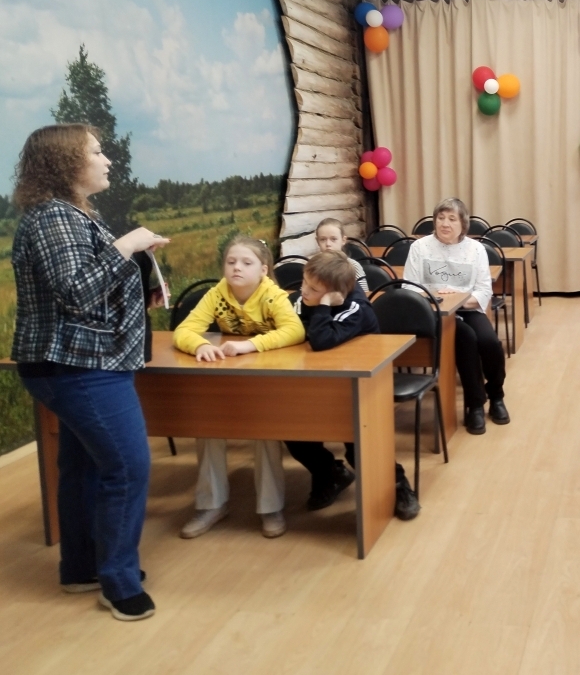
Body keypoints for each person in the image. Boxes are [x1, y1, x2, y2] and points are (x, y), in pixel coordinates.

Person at [11, 123, 169, 621]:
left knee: (82, 467)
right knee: (128, 467)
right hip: (78, 366)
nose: (107, 160)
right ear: (65, 164)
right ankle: (118, 583)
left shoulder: (72, 214)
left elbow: (87, 288)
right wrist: (127, 246)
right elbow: (77, 292)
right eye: (96, 152)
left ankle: (80, 567)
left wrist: (137, 282)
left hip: (82, 362)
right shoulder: (54, 218)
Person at [172, 236, 305, 539]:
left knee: (264, 431)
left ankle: (270, 507)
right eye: (231, 262)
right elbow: (184, 331)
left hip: (268, 380)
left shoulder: (272, 295)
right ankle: (211, 505)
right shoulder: (217, 293)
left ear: (263, 269)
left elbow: (295, 330)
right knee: (207, 426)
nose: (237, 268)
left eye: (246, 262)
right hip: (227, 378)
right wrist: (200, 346)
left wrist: (251, 345)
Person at [284, 251, 420, 520]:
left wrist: (323, 306)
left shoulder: (356, 307)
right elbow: (294, 329)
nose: (303, 291)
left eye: (313, 288)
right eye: (304, 282)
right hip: (318, 380)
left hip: (361, 386)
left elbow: (321, 340)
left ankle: (398, 485)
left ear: (336, 293)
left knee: (359, 448)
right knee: (293, 431)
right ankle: (330, 474)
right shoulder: (305, 298)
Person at [404, 198, 508, 435]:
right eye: (441, 218)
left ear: (463, 224)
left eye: (452, 219)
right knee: (466, 339)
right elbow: (409, 287)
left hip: (468, 308)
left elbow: (484, 290)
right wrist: (436, 299)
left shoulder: (476, 249)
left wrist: (458, 300)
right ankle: (475, 405)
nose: (445, 223)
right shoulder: (419, 247)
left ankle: (496, 395)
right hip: (434, 313)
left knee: (490, 342)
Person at [314, 218, 369, 293]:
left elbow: (364, 295)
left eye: (333, 239)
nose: (328, 244)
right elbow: (305, 294)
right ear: (317, 241)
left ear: (343, 240)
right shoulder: (313, 267)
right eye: (323, 239)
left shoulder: (353, 267)